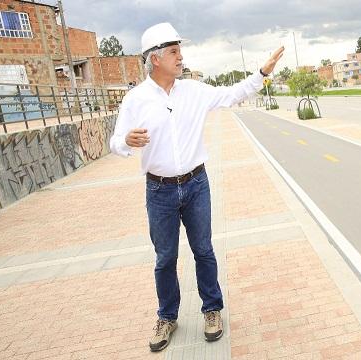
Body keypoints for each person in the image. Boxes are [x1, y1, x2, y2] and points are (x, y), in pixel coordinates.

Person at [109, 22, 284, 352]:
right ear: (155, 59)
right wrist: (126, 142)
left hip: (196, 184)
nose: (180, 57)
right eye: (174, 51)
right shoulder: (136, 99)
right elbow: (116, 141)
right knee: (165, 258)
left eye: (179, 51)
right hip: (159, 191)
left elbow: (232, 94)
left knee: (203, 249)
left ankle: (212, 310)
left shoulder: (193, 90)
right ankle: (167, 317)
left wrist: (262, 73)